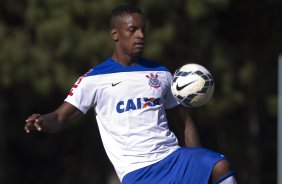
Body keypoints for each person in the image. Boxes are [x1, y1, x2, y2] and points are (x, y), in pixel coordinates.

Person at [25, 5, 237, 184]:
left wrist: (194, 162)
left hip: (172, 157)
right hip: (137, 172)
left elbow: (183, 121)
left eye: (143, 30)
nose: (140, 35)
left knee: (218, 165)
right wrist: (43, 121)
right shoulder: (94, 79)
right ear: (115, 34)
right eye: (132, 30)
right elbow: (60, 117)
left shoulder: (161, 73)